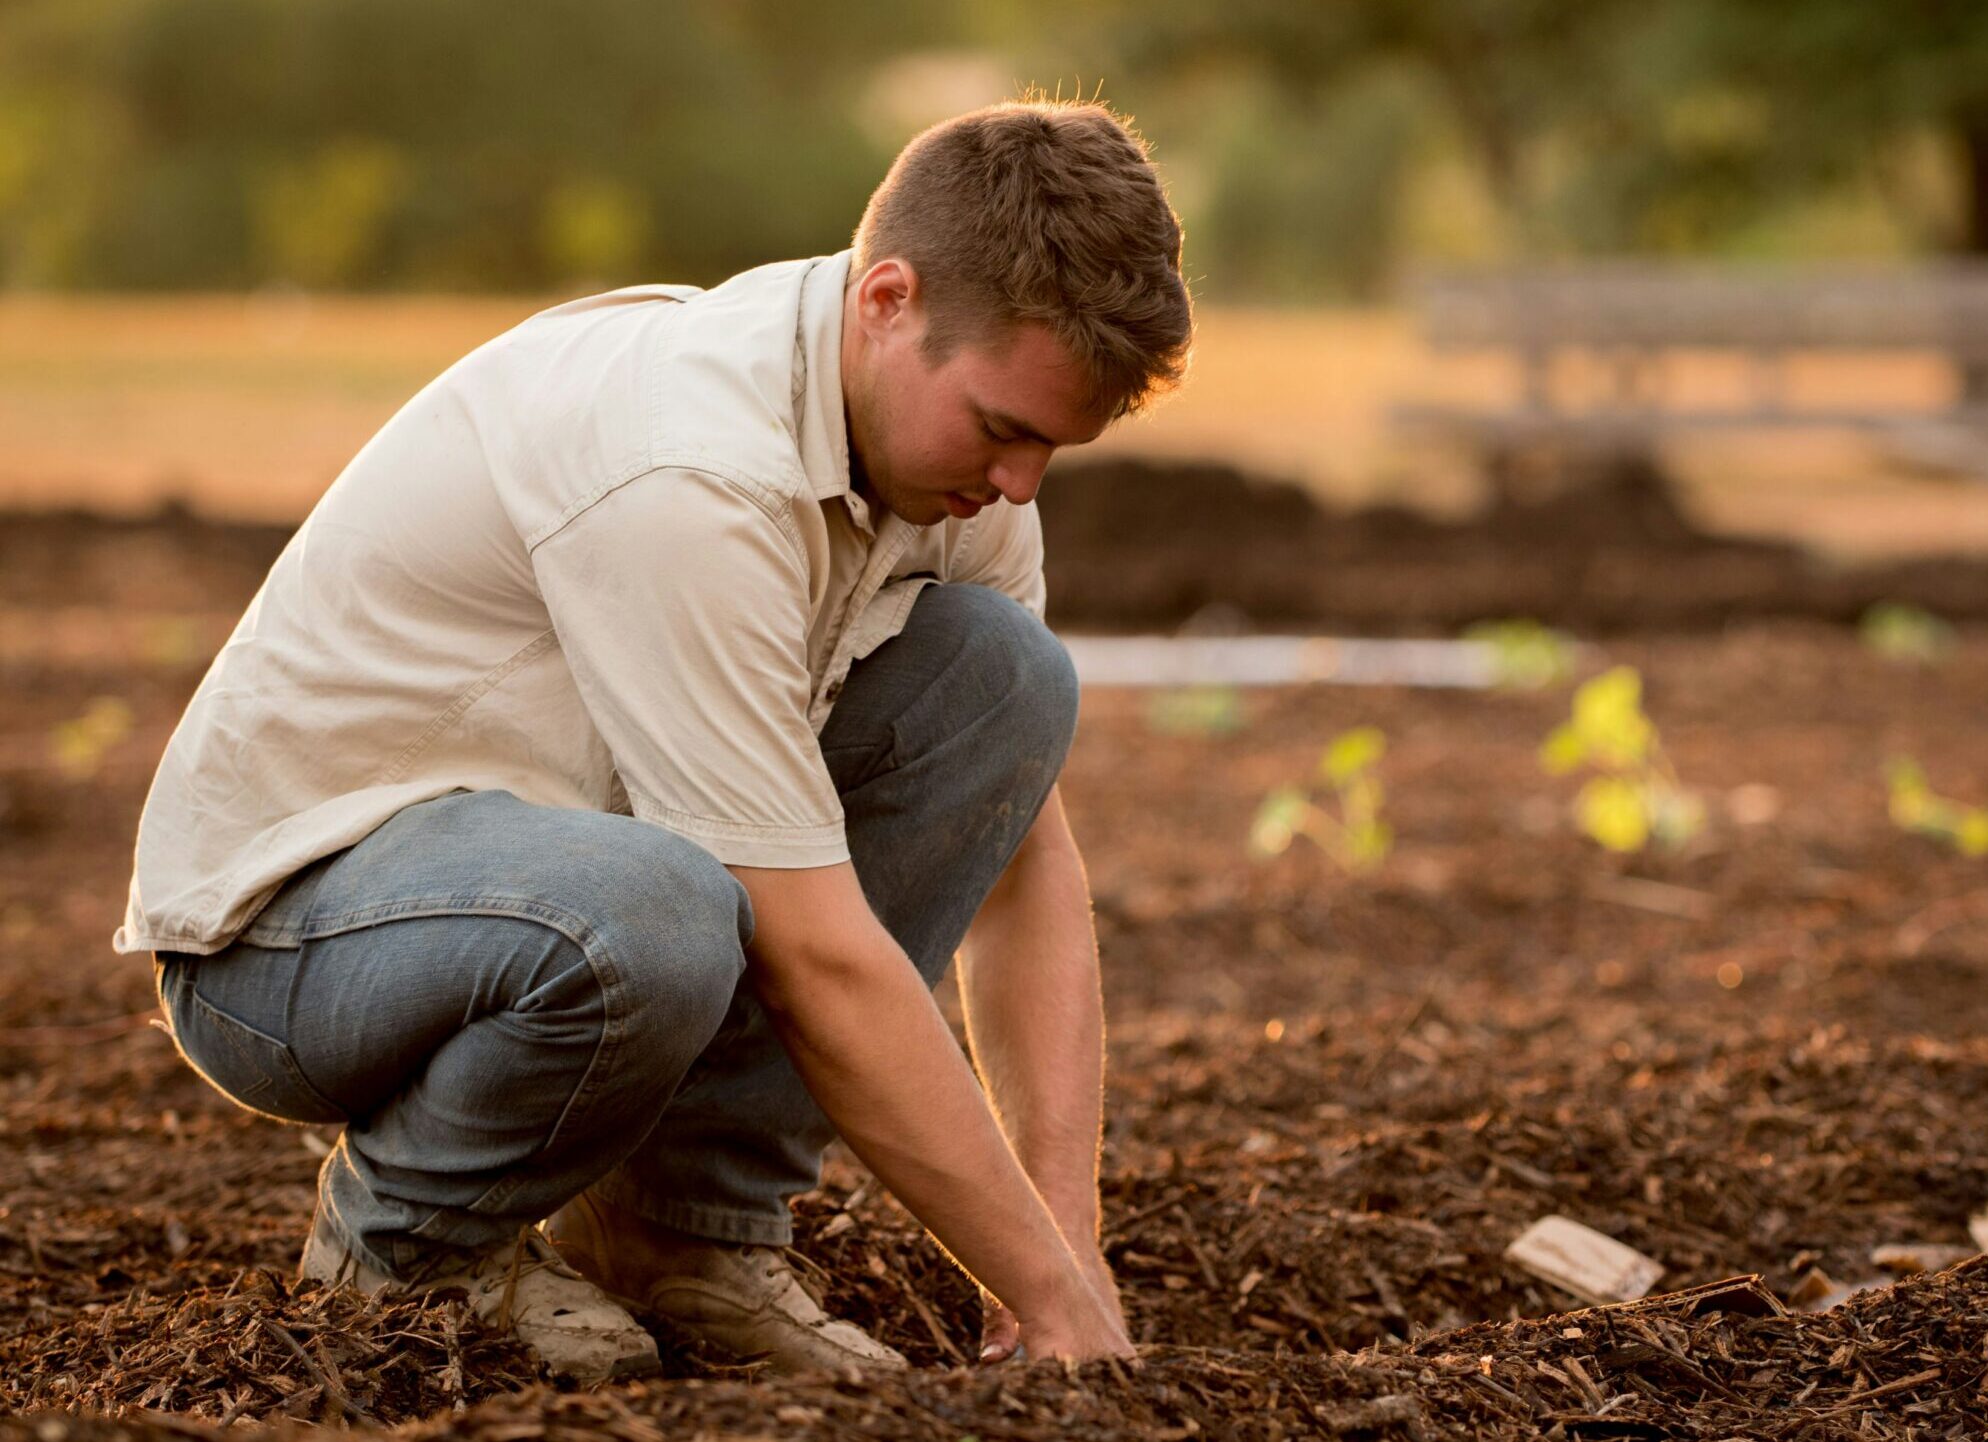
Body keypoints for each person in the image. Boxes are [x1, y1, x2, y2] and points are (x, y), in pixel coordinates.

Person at [111, 98, 1190, 1384]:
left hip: (553, 874)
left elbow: (1019, 858)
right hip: (288, 935)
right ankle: (411, 1246)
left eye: (1051, 447)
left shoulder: (948, 476)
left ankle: (680, 1231)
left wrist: (1067, 1247)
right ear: (887, 300)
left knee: (1006, 680)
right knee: (659, 910)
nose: (1020, 484)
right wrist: (1033, 1284)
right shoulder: (689, 469)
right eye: (1004, 427)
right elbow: (817, 959)